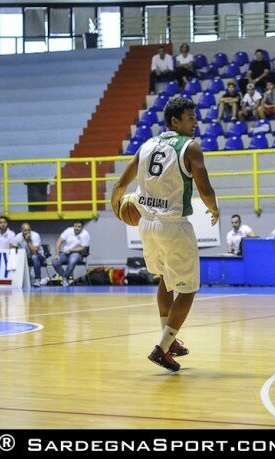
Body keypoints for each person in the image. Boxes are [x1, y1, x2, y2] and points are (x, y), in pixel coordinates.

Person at [111, 96, 219, 372]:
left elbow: (122, 182)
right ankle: (162, 348)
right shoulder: (190, 148)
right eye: (190, 117)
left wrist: (117, 200)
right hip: (173, 225)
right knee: (188, 289)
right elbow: (204, 188)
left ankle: (169, 341)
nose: (195, 122)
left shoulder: (147, 144)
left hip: (146, 225)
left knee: (166, 281)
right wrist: (213, 209)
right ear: (175, 121)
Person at [52, 220, 90, 287]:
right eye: (75, 226)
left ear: (82, 227)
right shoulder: (68, 230)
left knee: (72, 260)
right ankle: (65, 278)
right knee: (55, 262)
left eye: (79, 227)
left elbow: (84, 248)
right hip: (65, 253)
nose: (77, 228)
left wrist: (72, 250)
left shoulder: (85, 234)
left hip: (78, 253)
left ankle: (65, 278)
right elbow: (58, 241)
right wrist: (57, 254)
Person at [10, 223, 45, 288]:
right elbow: (11, 246)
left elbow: (35, 251)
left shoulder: (35, 235)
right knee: (15, 257)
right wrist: (15, 249)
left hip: (39, 256)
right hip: (25, 257)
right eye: (25, 230)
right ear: (21, 230)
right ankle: (16, 281)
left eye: (29, 230)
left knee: (34, 257)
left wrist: (28, 241)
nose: (27, 232)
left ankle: (37, 279)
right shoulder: (18, 236)